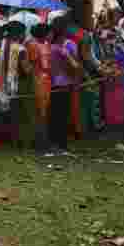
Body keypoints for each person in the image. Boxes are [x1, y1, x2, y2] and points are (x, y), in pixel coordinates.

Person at [48, 18, 80, 153]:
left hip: (51, 83)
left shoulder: (48, 45)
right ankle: (61, 144)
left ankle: (55, 142)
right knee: (63, 115)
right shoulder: (68, 46)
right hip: (65, 83)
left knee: (54, 114)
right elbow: (75, 65)